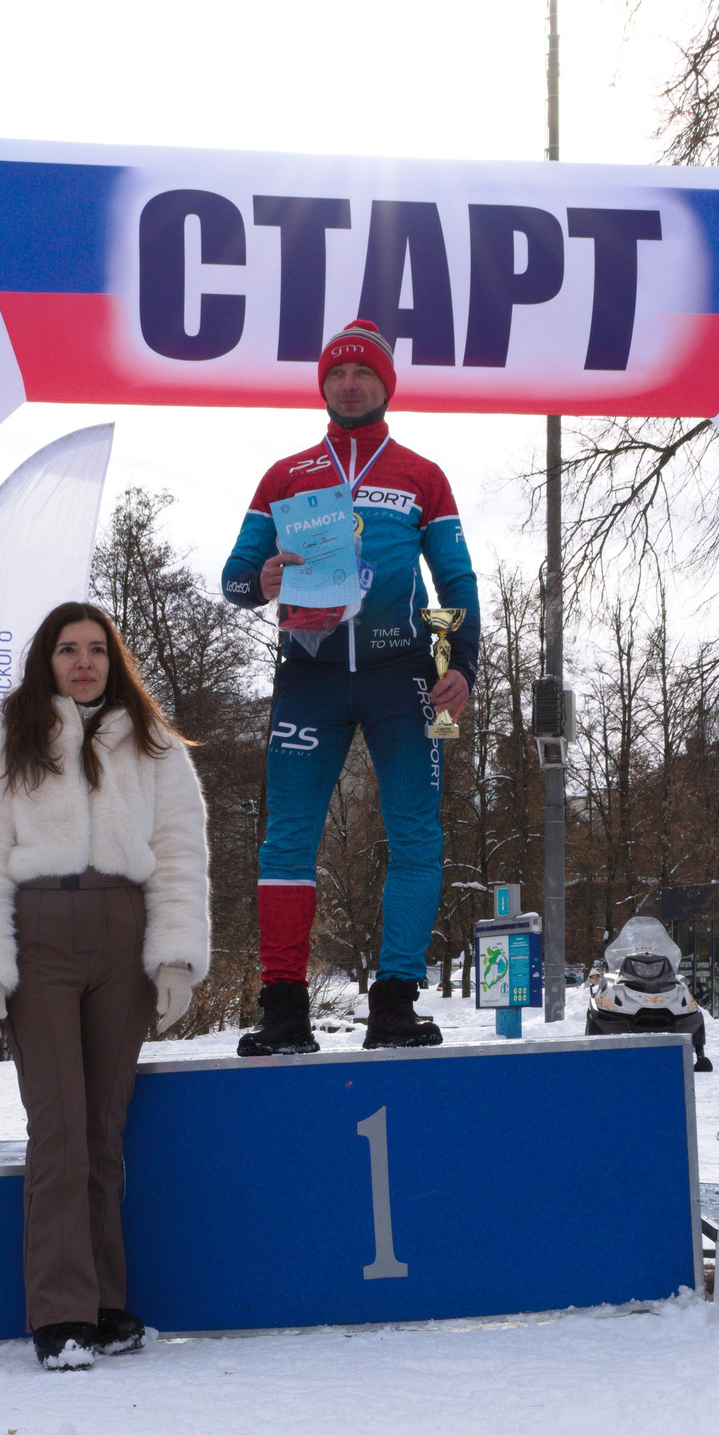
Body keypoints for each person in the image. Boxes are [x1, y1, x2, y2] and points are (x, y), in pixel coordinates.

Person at [0, 602, 210, 1370]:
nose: (84, 662)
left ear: (113, 659)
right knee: (58, 1129)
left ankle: (103, 1300)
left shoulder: (156, 747)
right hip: (40, 938)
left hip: (122, 934)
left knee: (102, 1129)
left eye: (97, 649)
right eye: (68, 649)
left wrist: (174, 955)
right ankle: (60, 1314)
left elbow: (181, 852)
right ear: (46, 660)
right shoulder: (2, 747)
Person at [221, 319, 476, 1054]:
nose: (350, 384)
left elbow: (457, 580)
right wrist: (261, 578)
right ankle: (283, 1009)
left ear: (385, 385)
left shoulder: (423, 475)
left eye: (363, 374)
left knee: (417, 838)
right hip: (311, 673)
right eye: (337, 374)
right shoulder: (286, 474)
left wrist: (461, 663)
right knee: (287, 843)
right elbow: (237, 574)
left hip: (403, 678)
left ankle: (395, 1003)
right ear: (324, 385)